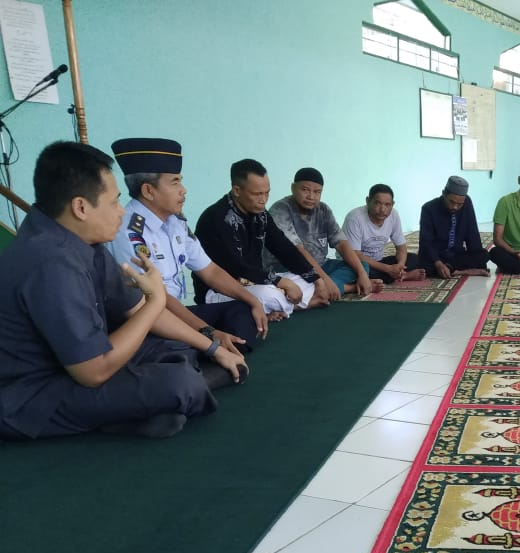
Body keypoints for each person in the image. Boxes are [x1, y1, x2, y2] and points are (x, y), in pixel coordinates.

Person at [0, 141, 245, 441]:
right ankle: (147, 406)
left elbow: (135, 308)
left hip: (81, 363)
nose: (121, 212)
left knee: (178, 346)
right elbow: (94, 371)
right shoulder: (50, 261)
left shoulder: (84, 240)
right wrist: (156, 302)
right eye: (115, 202)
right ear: (80, 207)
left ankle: (140, 410)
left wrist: (211, 347)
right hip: (37, 392)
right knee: (179, 384)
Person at [109, 137, 268, 355]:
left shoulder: (176, 222)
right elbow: (156, 298)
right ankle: (209, 352)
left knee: (243, 309)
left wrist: (253, 301)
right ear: (148, 191)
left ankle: (218, 351)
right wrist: (208, 331)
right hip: (150, 320)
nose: (183, 190)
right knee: (179, 346)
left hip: (178, 313)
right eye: (175, 182)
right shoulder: (129, 231)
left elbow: (210, 271)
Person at [194, 158, 335, 316]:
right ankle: (297, 306)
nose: (263, 200)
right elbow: (237, 266)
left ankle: (278, 307)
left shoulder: (260, 214)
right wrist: (279, 282)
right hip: (221, 291)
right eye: (257, 194)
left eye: (267, 193)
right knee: (270, 295)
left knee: (304, 280)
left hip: (256, 282)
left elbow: (283, 247)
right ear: (237, 190)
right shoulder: (217, 218)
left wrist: (316, 278)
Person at [269, 167, 382, 296]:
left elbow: (341, 243)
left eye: (317, 192)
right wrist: (324, 280)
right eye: (305, 190)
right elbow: (298, 251)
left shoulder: (323, 210)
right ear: (293, 188)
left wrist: (362, 275)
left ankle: (320, 290)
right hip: (289, 268)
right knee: (292, 282)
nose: (311, 196)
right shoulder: (280, 210)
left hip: (321, 265)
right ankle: (346, 288)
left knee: (361, 266)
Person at [341, 184, 425, 284]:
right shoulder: (354, 218)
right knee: (357, 272)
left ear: (392, 204)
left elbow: (401, 247)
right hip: (357, 263)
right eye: (377, 203)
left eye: (387, 205)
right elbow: (355, 255)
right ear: (368, 201)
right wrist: (388, 269)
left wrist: (400, 266)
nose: (382, 209)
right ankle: (402, 276)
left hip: (379, 262)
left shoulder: (393, 215)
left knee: (416, 258)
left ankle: (400, 274)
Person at [417, 175, 489, 278]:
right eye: (452, 202)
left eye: (459, 204)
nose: (455, 207)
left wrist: (477, 256)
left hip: (456, 255)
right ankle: (458, 270)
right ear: (444, 194)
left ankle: (452, 269)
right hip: (436, 256)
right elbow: (426, 242)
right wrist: (438, 263)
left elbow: (472, 233)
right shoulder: (428, 208)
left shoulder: (467, 202)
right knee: (422, 267)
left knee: (484, 255)